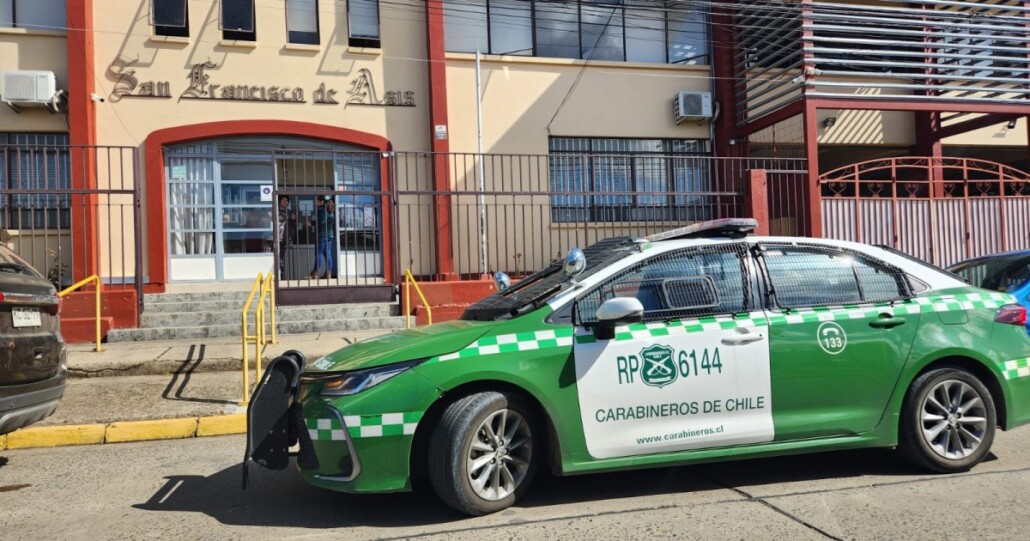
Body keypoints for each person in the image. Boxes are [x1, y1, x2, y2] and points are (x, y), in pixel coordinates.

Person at [310, 195, 337, 279]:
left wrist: (311, 223)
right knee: (328, 254)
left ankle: (315, 273)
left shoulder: (321, 209)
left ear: (322, 202)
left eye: (317, 201)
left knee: (319, 254)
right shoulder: (331, 210)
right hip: (329, 235)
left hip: (322, 235)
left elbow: (320, 222)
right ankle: (328, 273)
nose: (316, 203)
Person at [276, 196, 297, 279]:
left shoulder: (289, 212)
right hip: (273, 239)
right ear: (279, 201)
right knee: (272, 257)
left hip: (283, 239)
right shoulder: (274, 210)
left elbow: (294, 226)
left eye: (287, 201)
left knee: (281, 257)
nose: (285, 202)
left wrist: (293, 219)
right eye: (283, 200)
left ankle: (281, 276)